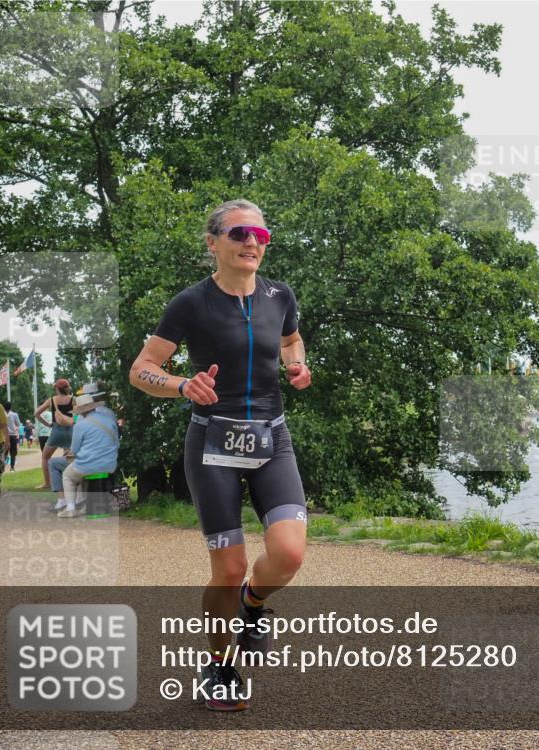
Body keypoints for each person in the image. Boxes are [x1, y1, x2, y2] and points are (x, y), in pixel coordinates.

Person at [130, 199, 312, 711]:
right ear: (213, 243)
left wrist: (298, 367)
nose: (252, 242)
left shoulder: (281, 295)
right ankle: (221, 665)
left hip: (272, 438)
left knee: (290, 553)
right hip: (213, 444)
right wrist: (182, 384)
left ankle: (253, 606)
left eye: (261, 234)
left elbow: (293, 342)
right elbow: (142, 368)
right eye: (239, 234)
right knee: (228, 570)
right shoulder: (191, 303)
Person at [47, 390, 120, 518]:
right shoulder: (109, 419)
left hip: (91, 465)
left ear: (81, 410)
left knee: (68, 475)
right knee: (81, 471)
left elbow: (74, 450)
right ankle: (86, 503)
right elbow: (116, 442)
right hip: (110, 463)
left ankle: (70, 508)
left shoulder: (81, 424)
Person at [35, 379, 75, 489]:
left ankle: (48, 483)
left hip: (56, 431)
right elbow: (78, 415)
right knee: (69, 458)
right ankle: (70, 481)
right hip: (70, 431)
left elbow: (37, 413)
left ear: (57, 388)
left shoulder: (52, 400)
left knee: (45, 457)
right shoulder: (73, 399)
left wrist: (48, 424)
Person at [3, 402, 21, 471]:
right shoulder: (14, 414)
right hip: (13, 435)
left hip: (4, 435)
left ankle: (2, 467)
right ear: (11, 407)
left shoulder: (2, 414)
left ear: (4, 408)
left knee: (4, 452)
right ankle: (12, 467)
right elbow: (18, 423)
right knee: (13, 452)